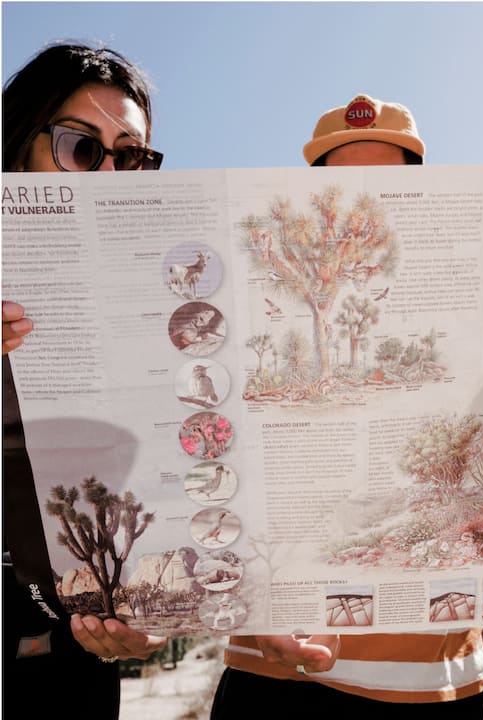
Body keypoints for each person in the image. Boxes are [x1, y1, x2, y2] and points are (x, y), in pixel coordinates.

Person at [211, 94, 483, 718]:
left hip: (442, 683)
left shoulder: (468, 310)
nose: (362, 201)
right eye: (341, 185)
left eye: (386, 185)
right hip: (278, 678)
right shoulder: (248, 308)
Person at [2, 42, 167, 718]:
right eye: (81, 148)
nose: (106, 174)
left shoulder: (151, 312)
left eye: (130, 156)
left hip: (69, 650)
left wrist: (151, 615)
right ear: (18, 148)